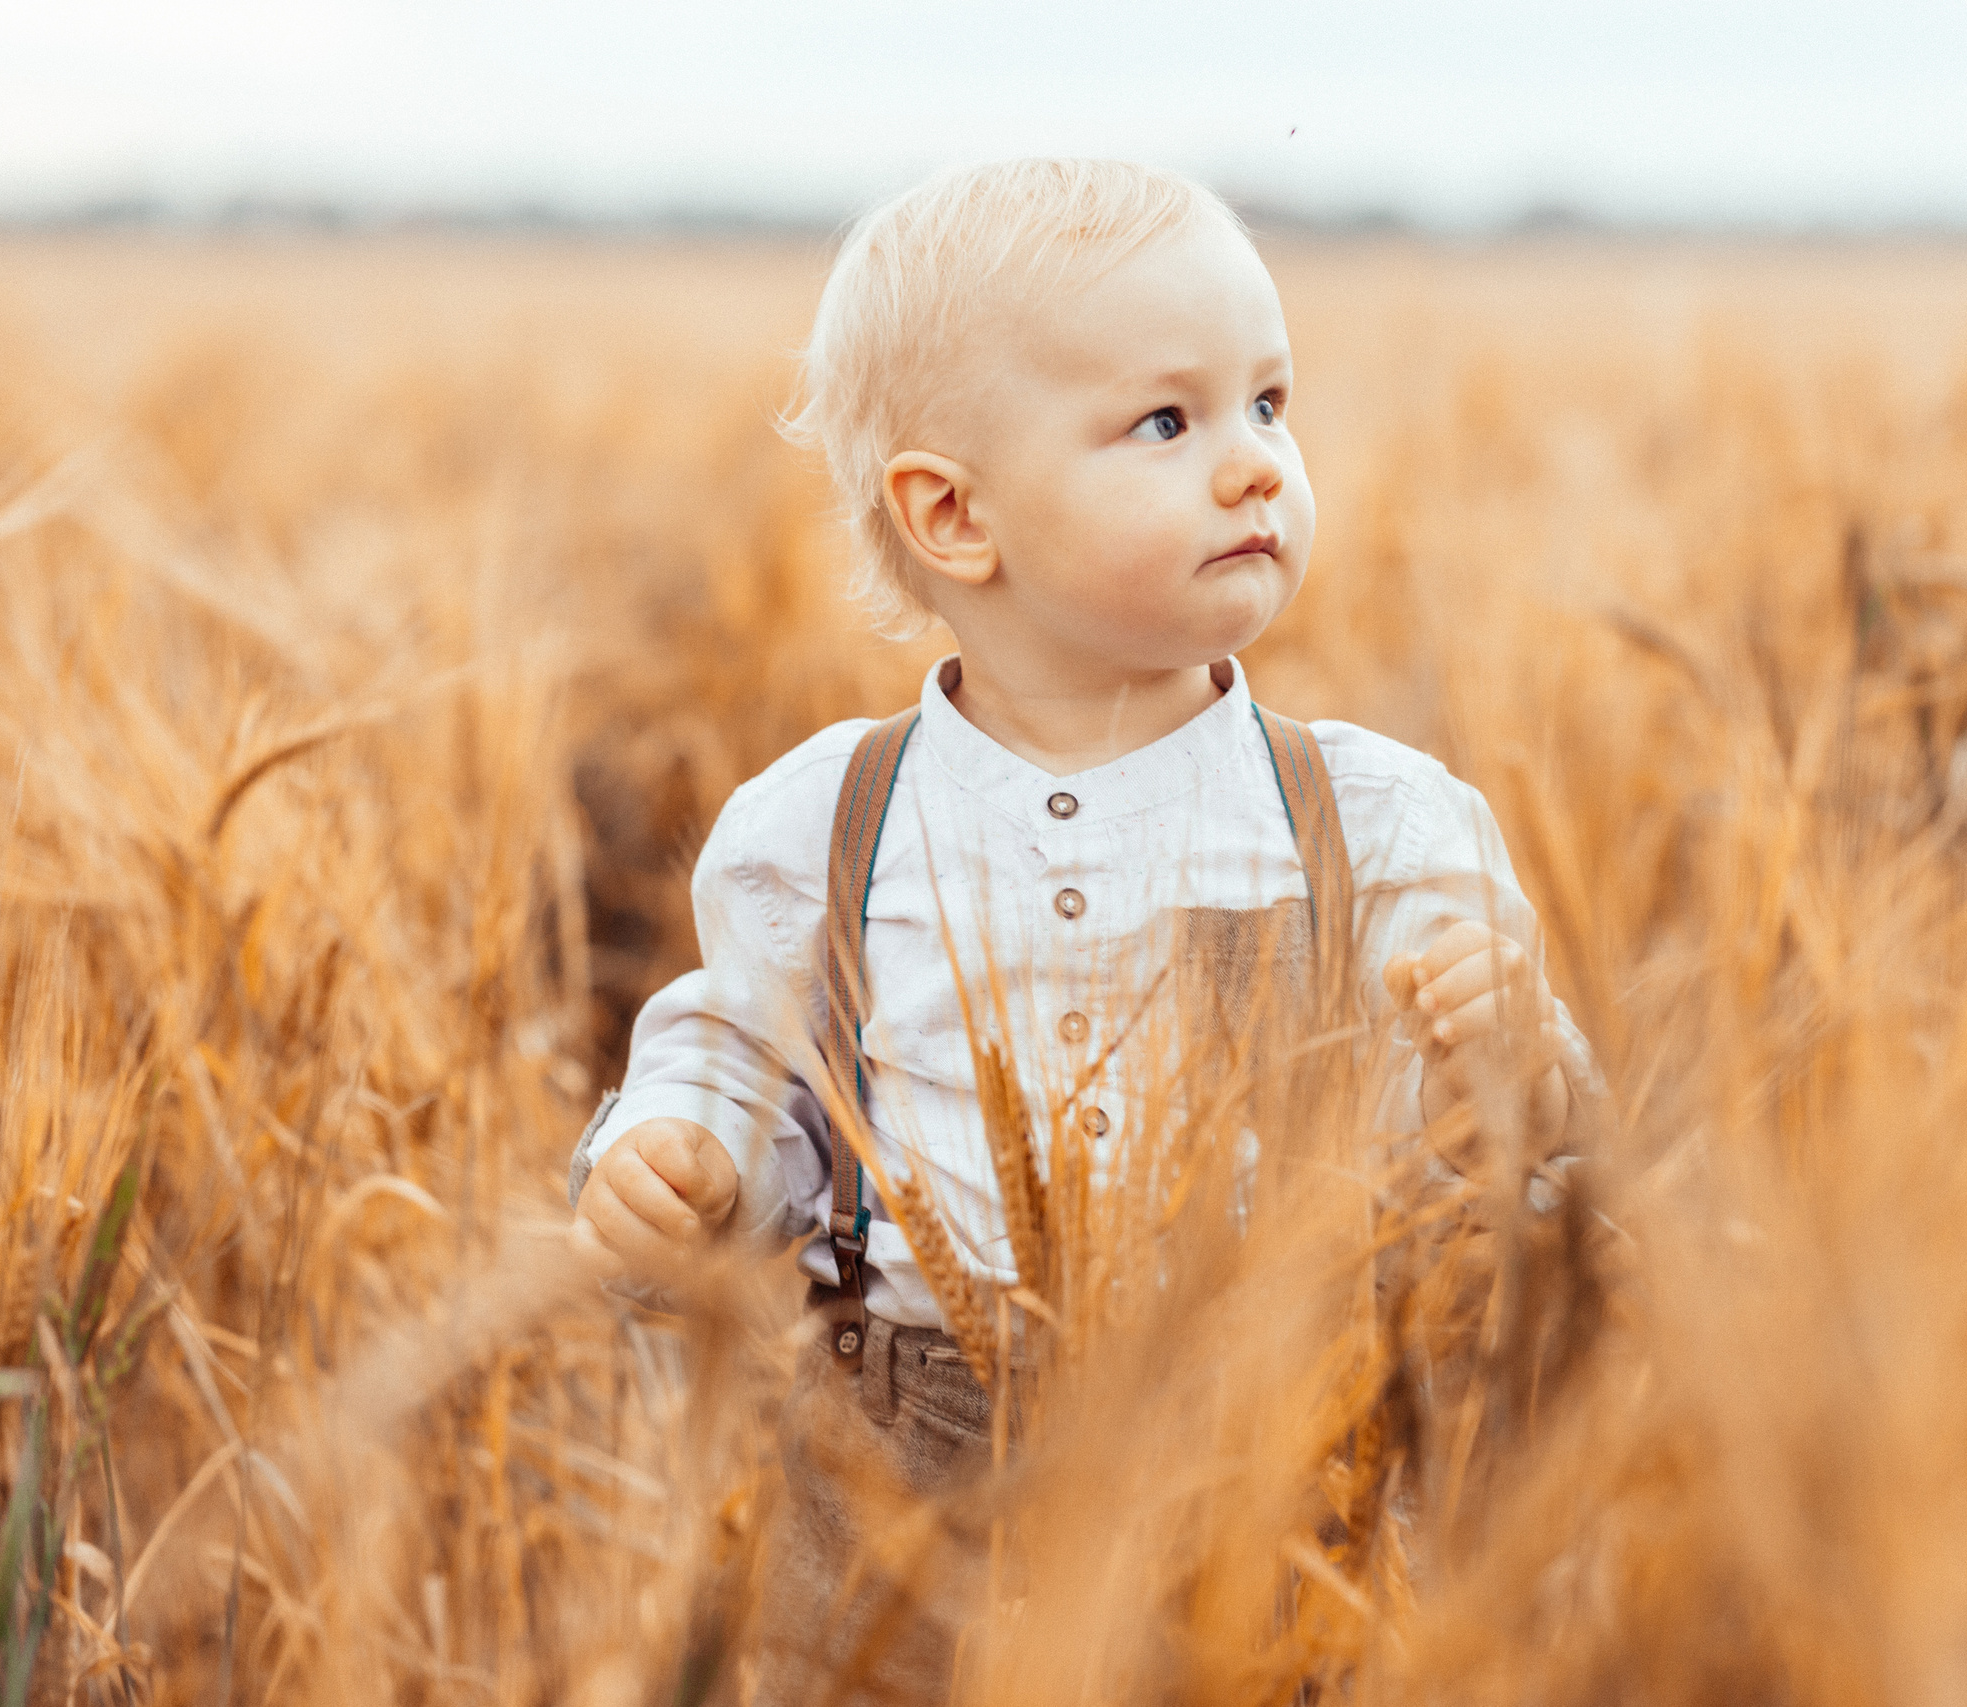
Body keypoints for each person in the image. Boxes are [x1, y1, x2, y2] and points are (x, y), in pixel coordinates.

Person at [564, 157, 1599, 1701]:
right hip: (901, 1498)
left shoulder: (1380, 829)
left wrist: (1517, 1069)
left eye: (1271, 403)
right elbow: (755, 1062)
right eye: (1167, 424)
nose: (1255, 466)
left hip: (1267, 1476)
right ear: (954, 514)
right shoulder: (826, 825)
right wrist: (681, 1159)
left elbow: (1515, 1179)